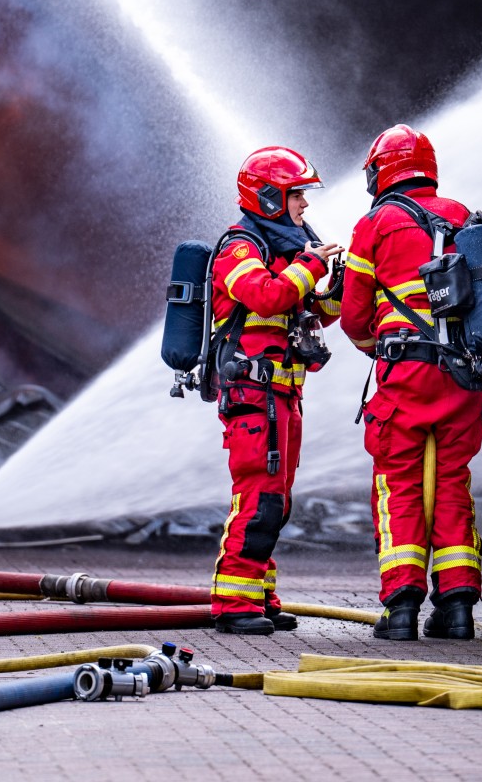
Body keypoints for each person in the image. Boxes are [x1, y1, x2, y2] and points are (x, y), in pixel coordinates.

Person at [340, 124, 482, 641]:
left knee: (400, 485)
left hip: (405, 376)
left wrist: (379, 343)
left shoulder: (374, 225)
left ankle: (401, 611)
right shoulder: (464, 218)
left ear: (381, 173)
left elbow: (353, 317)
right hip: (462, 376)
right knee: (452, 484)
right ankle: (457, 610)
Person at [205, 147, 341, 635]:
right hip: (252, 396)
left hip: (283, 396)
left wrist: (338, 284)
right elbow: (266, 296)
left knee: (277, 502)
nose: (304, 204)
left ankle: (259, 596)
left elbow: (314, 314)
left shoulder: (286, 250)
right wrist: (309, 265)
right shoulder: (240, 248)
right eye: (296, 194)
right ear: (267, 197)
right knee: (258, 498)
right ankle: (233, 603)